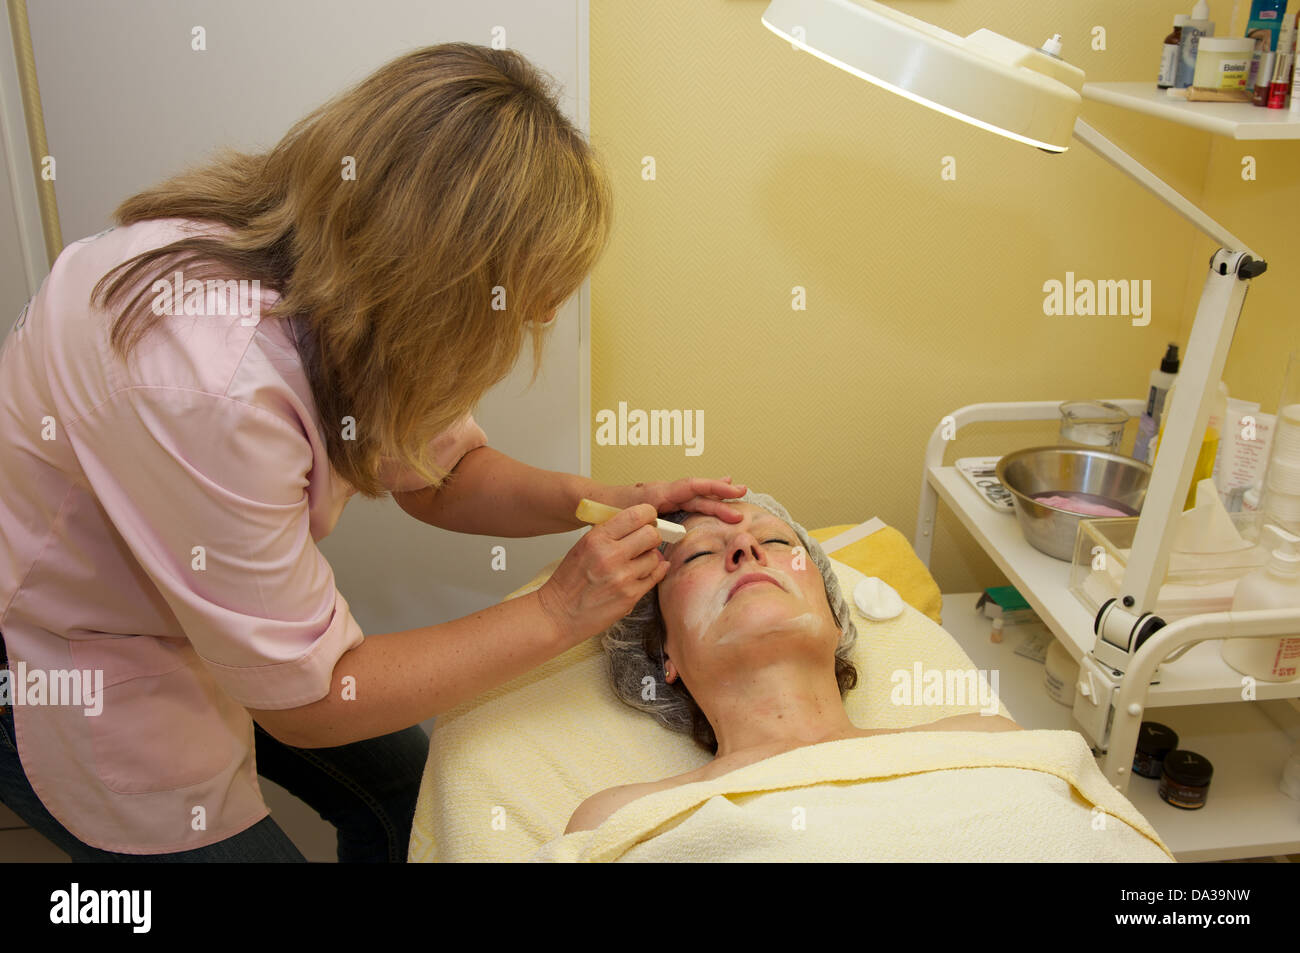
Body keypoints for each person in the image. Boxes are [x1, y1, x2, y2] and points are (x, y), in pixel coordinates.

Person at [0, 42, 745, 862]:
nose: (531, 323)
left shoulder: (355, 279)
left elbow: (442, 472)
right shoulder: (210, 382)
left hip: (205, 606)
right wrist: (554, 611)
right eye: (518, 302)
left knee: (402, 789)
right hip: (68, 655)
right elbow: (311, 702)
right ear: (443, 279)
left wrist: (600, 496)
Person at [570, 493, 1022, 834]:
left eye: (774, 540)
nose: (746, 547)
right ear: (664, 654)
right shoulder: (623, 821)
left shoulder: (987, 747)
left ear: (836, 620)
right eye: (700, 553)